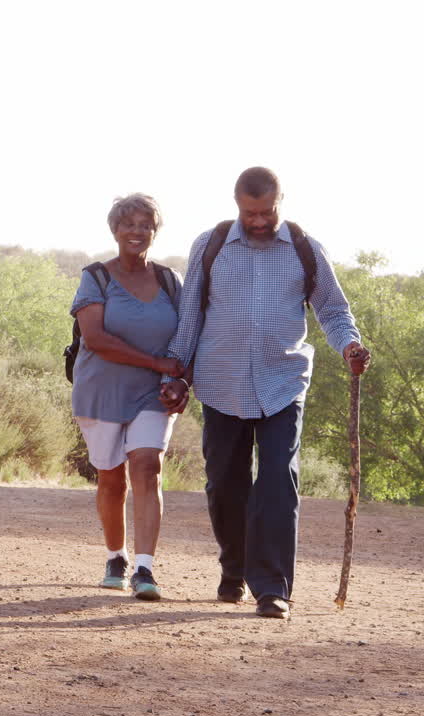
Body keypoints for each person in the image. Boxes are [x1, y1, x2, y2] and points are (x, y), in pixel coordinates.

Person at [160, 167, 370, 620]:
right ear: (237, 204)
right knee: (224, 486)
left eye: (266, 211)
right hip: (220, 380)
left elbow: (333, 310)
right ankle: (234, 570)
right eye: (249, 212)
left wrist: (349, 345)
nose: (258, 221)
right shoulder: (211, 244)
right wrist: (177, 373)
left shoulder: (304, 248)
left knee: (278, 480)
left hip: (283, 382)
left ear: (281, 201)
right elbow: (191, 312)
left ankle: (273, 587)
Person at [70, 193, 185, 601]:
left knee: (147, 467)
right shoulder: (96, 278)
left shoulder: (171, 282)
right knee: (111, 479)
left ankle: (145, 569)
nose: (137, 231)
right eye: (129, 224)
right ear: (115, 230)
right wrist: (157, 364)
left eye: (145, 224)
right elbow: (96, 339)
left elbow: (185, 341)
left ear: (155, 231)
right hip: (101, 391)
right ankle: (115, 557)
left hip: (151, 395)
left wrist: (181, 381)